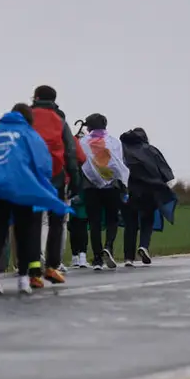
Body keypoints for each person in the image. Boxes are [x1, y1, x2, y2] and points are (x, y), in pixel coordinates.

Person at [0, 104, 72, 294]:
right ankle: (24, 279)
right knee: (24, 231)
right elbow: (43, 163)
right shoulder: (30, 134)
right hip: (21, 187)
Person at [30, 85, 84, 283]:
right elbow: (71, 151)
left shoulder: (27, 117)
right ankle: (52, 266)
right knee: (57, 222)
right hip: (56, 177)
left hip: (31, 177)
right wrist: (75, 179)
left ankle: (33, 268)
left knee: (33, 223)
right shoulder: (60, 120)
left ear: (36, 97)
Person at [77, 113, 129, 270]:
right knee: (112, 219)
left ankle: (97, 259)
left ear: (89, 126)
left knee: (94, 222)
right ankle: (108, 246)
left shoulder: (83, 142)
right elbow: (119, 162)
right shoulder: (114, 142)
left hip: (90, 186)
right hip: (112, 185)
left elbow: (81, 162)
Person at [120, 127, 176, 266]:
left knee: (130, 224)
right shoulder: (152, 150)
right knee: (147, 220)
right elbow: (167, 174)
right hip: (151, 191)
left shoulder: (123, 150)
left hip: (130, 191)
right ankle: (144, 246)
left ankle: (128, 258)